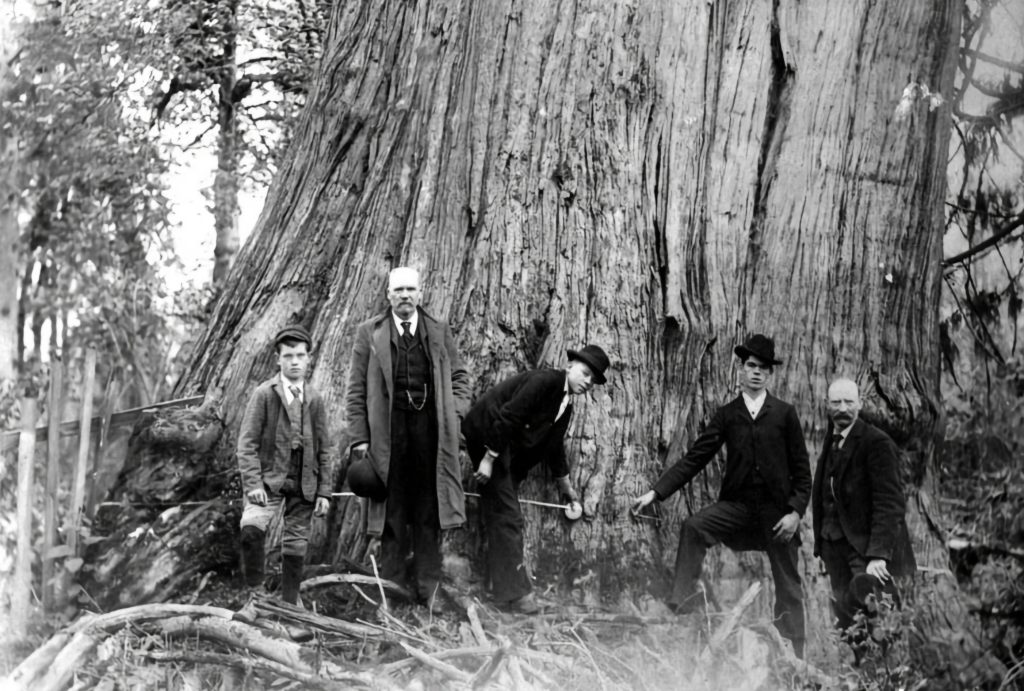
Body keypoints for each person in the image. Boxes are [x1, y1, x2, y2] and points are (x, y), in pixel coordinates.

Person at [632, 334, 811, 657]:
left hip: (778, 515)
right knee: (694, 526)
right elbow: (696, 457)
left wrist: (795, 513)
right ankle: (682, 606)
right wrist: (656, 493)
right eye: (751, 366)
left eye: (763, 368)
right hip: (739, 509)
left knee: (788, 585)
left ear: (770, 374)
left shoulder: (785, 414)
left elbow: (802, 472)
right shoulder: (728, 414)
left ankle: (795, 654)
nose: (756, 372)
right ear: (741, 370)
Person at [344, 266, 471, 611]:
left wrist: (453, 416)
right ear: (388, 295)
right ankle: (393, 589)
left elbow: (460, 377)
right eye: (397, 289)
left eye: (410, 289)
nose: (404, 295)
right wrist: (359, 438)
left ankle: (429, 589)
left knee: (430, 510)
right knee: (392, 512)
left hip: (431, 433)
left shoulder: (439, 331)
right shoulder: (369, 333)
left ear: (420, 293)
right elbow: (356, 388)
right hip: (388, 434)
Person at [461, 345, 610, 613]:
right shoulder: (546, 381)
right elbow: (510, 415)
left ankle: (501, 591)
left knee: (501, 514)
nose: (587, 382)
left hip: (505, 451)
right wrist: (488, 458)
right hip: (487, 434)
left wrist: (564, 484)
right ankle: (518, 595)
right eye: (585, 373)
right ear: (570, 366)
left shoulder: (565, 406)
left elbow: (553, 447)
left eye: (593, 380)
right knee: (509, 516)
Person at [812, 377, 916, 647]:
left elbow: (890, 502)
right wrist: (821, 545)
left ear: (859, 404)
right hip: (834, 546)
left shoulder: (876, 443)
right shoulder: (831, 439)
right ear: (826, 405)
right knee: (847, 621)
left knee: (877, 613)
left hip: (865, 549)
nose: (843, 408)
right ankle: (857, 679)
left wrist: (879, 555)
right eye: (836, 402)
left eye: (849, 402)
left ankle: (886, 677)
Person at [237, 325, 333, 605]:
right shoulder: (264, 394)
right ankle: (256, 595)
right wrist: (253, 484)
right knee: (251, 529)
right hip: (269, 480)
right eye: (288, 356)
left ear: (308, 359)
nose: (294, 362)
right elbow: (247, 443)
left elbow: (325, 449)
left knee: (295, 542)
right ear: (278, 359)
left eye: (300, 356)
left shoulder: (315, 400)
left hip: (305, 480)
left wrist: (324, 492)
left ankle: (290, 602)